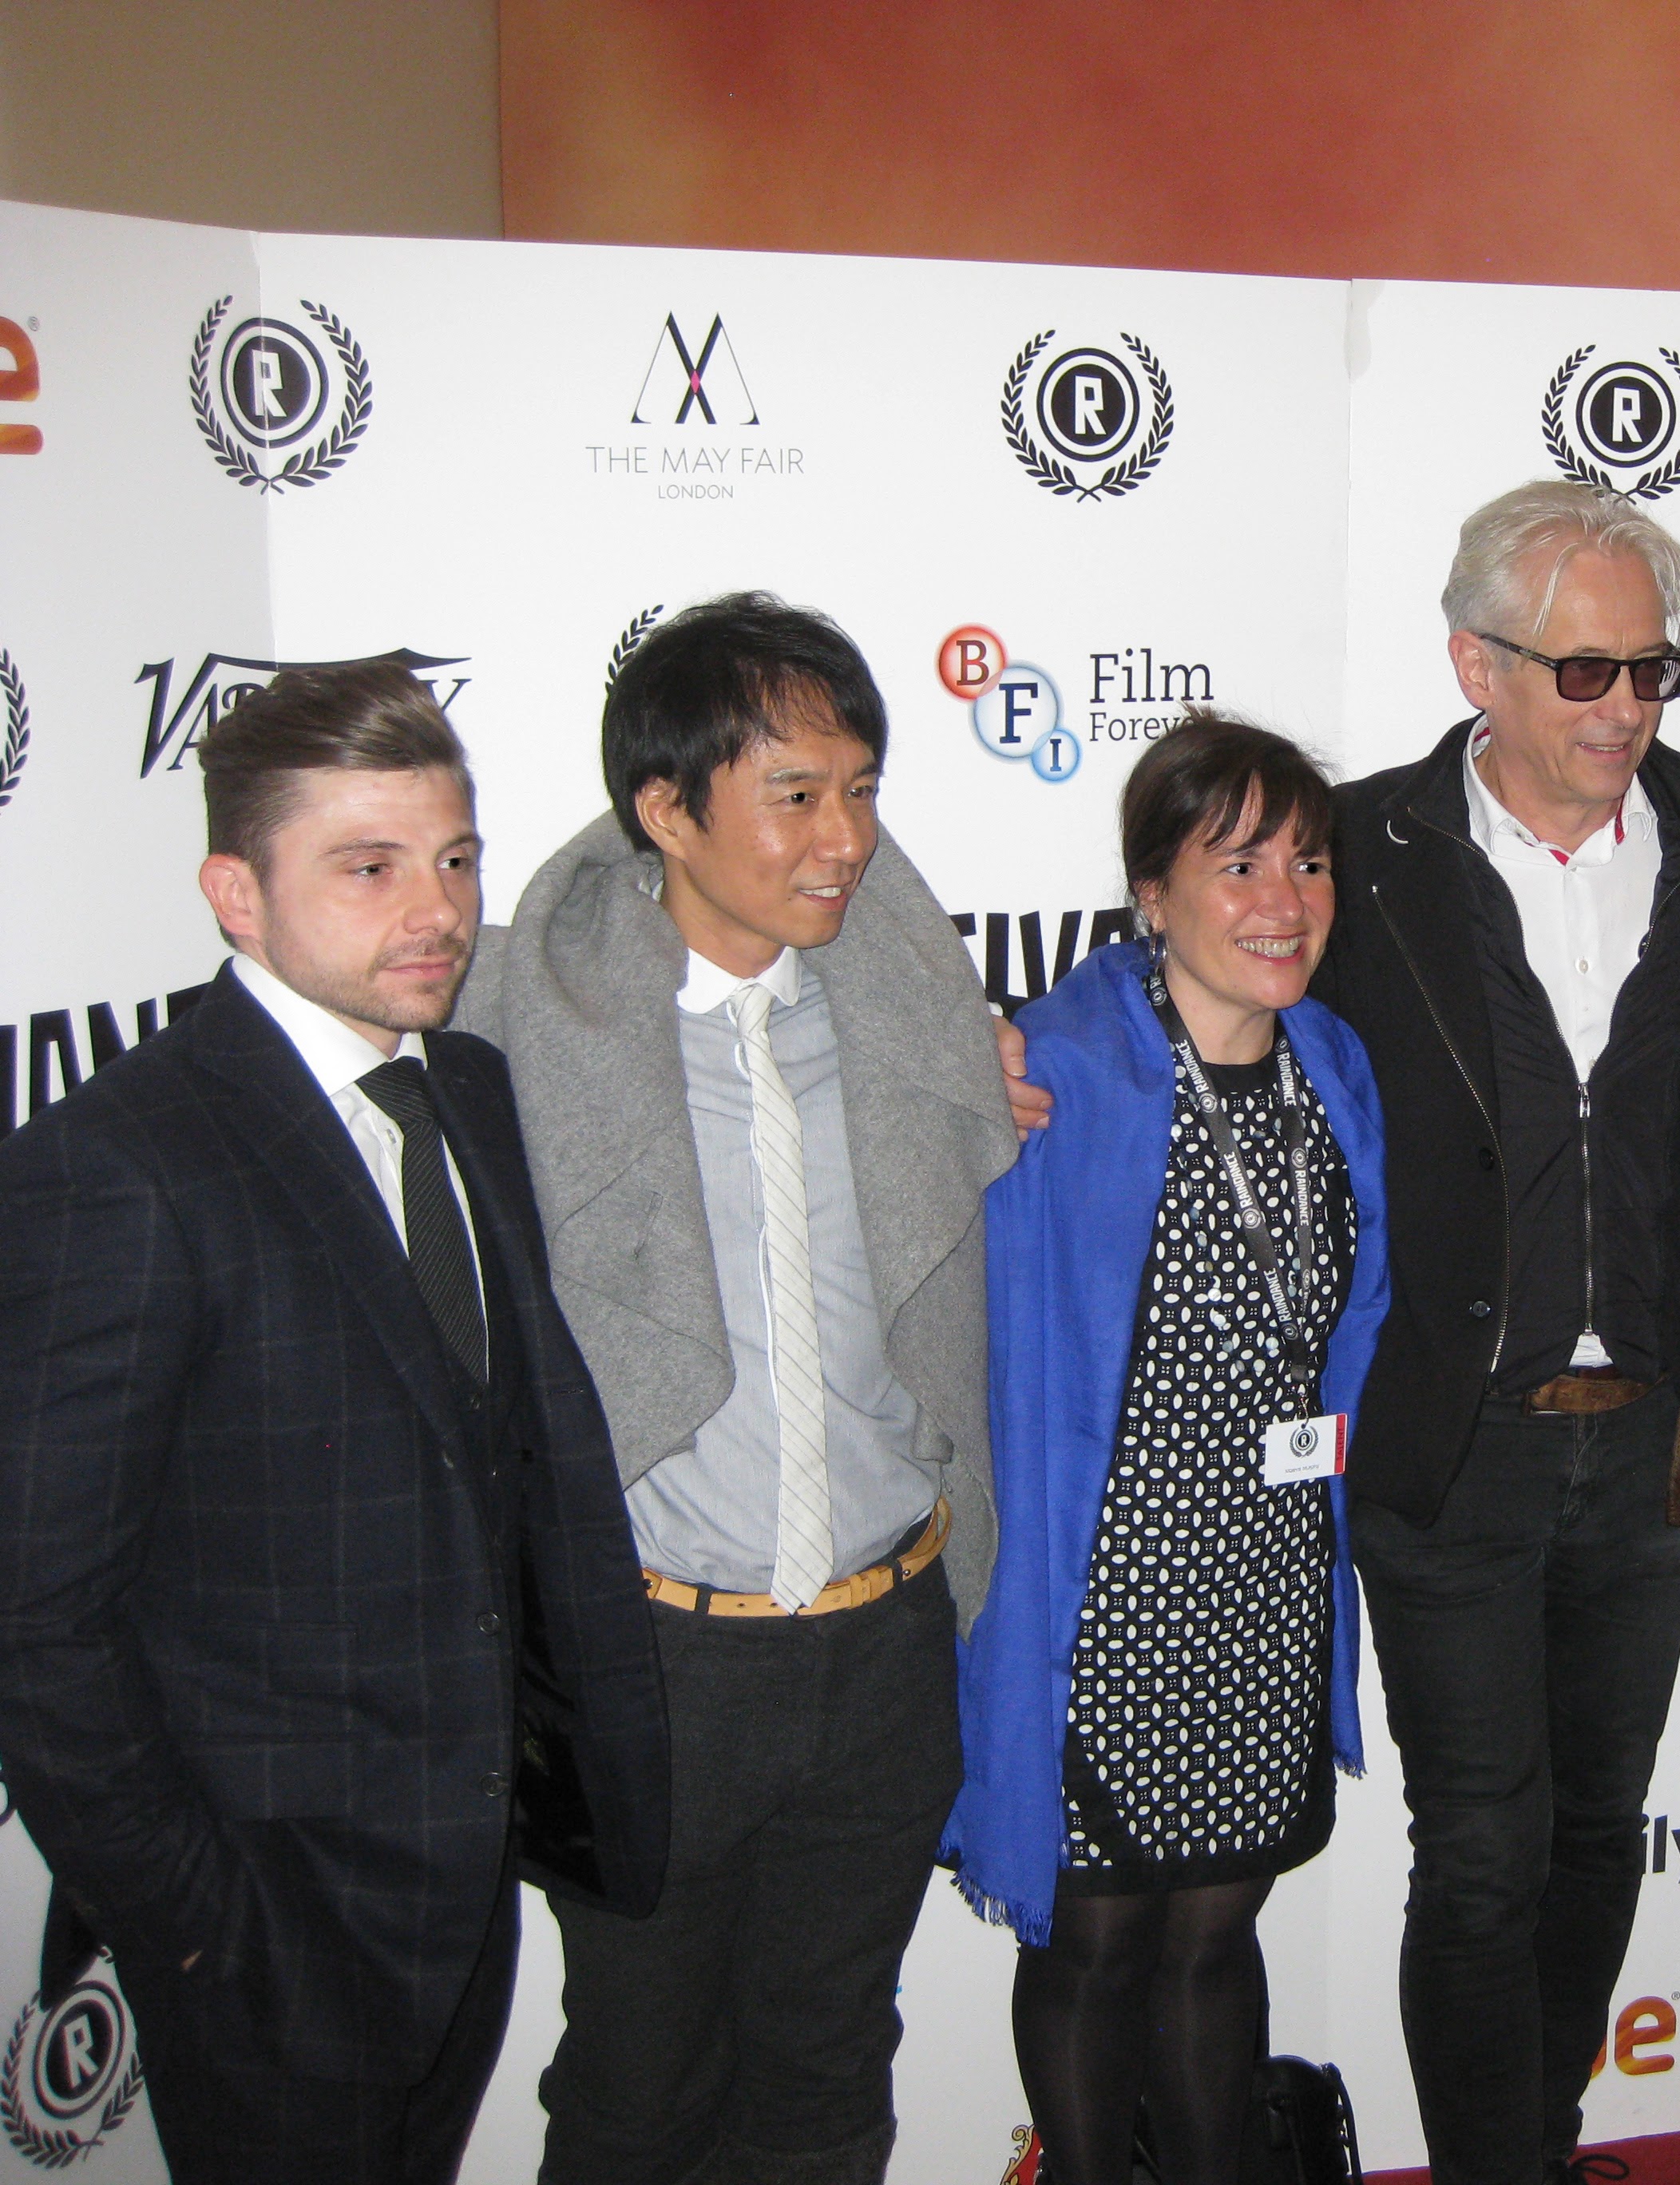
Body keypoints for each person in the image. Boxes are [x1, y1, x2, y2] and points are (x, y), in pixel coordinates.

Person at [0, 663, 669, 2184]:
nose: (434, 908)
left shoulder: (469, 1093)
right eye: (368, 868)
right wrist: (200, 1929)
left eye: (454, 858)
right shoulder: (120, 1167)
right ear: (237, 894)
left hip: (464, 1881)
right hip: (263, 1925)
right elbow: (38, 1625)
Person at [452, 593, 1023, 2185]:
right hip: (653, 1664)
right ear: (665, 808)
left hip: (886, 1650)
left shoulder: (911, 1018)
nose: (843, 837)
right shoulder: (516, 1034)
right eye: (795, 794)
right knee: (636, 2087)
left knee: (833, 2068)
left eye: (860, 788)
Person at [1305, 479, 1680, 2185]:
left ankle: (1540, 2136)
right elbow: (1201, 974)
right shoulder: (1357, 854)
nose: (1629, 711)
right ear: (1476, 665)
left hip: (1653, 1439)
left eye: (1653, 671)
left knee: (1596, 1837)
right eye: (1587, 674)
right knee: (1483, 1852)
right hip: (1452, 1441)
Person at [949, 711, 1391, 2185]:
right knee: (1096, 1941)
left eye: (1311, 863)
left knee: (1220, 1930)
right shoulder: (1050, 1072)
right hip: (1103, 1599)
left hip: (1264, 1588)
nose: (1286, 901)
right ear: (1152, 891)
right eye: (1242, 862)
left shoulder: (1334, 1069)